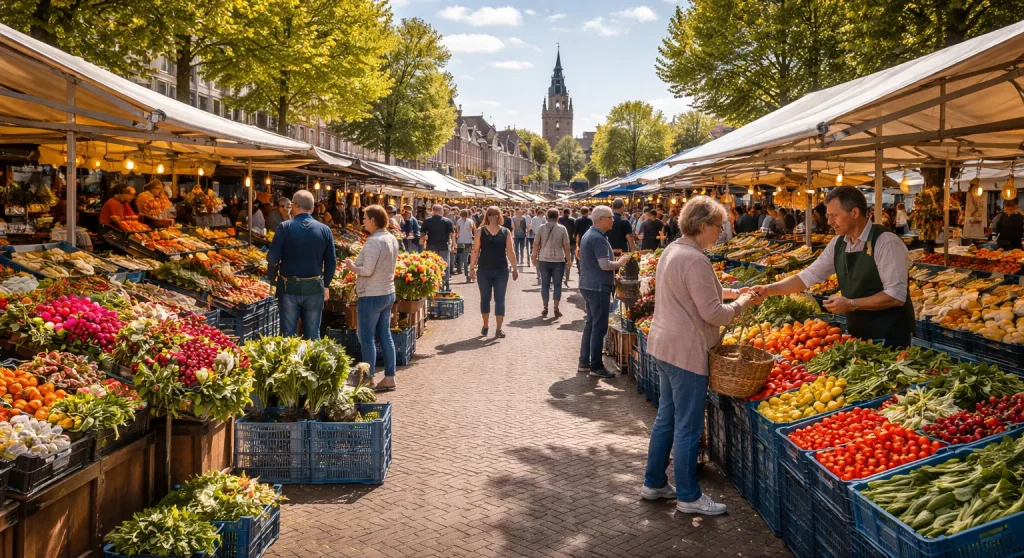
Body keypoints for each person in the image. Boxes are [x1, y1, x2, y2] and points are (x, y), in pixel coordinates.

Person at [642, 195, 760, 514]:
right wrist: (742, 304)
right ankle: (689, 497)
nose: (720, 233)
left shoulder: (674, 250)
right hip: (686, 352)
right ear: (703, 225)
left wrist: (734, 293)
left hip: (664, 345)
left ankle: (654, 483)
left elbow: (695, 291)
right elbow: (715, 314)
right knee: (689, 426)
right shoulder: (695, 259)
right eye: (718, 227)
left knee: (667, 418)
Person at [753, 186, 913, 347]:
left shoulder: (886, 242)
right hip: (858, 336)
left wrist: (851, 304)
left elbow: (896, 295)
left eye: (834, 216)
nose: (829, 222)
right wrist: (768, 290)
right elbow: (807, 277)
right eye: (828, 216)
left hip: (891, 338)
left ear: (855, 213)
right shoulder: (838, 243)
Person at [267, 190, 337, 340]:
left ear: (293, 205)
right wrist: (326, 285)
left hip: (288, 287)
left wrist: (272, 278)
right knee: (312, 335)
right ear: (312, 209)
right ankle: (312, 363)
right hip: (314, 288)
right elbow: (331, 262)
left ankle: (291, 363)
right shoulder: (325, 230)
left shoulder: (284, 227)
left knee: (288, 336)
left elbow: (273, 258)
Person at [344, 205, 400, 392]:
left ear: (374, 220)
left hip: (372, 294)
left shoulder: (373, 242)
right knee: (385, 335)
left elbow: (366, 270)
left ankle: (368, 379)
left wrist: (352, 268)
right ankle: (389, 377)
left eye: (365, 218)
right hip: (387, 292)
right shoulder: (391, 238)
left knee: (366, 337)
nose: (363, 221)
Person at [578, 206, 631, 379]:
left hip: (589, 284)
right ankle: (596, 366)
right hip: (597, 286)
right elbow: (604, 265)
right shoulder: (597, 238)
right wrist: (620, 262)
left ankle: (585, 361)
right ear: (601, 219)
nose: (613, 220)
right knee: (599, 328)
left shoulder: (589, 235)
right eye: (610, 217)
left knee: (591, 324)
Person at [469, 206, 519, 338]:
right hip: (489, 269)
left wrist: (514, 268)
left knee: (495, 299)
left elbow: (510, 251)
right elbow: (475, 250)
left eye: (494, 214)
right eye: (491, 214)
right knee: (491, 299)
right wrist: (471, 267)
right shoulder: (486, 231)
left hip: (496, 269)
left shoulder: (503, 231)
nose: (493, 217)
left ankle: (494, 327)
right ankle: (489, 326)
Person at [533, 208, 572, 318]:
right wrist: (569, 260)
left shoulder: (541, 228)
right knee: (557, 285)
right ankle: (556, 307)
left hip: (543, 259)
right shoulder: (562, 228)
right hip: (558, 260)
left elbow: (536, 243)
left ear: (547, 217)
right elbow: (566, 246)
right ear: (558, 217)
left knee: (545, 285)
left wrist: (533, 256)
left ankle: (545, 307)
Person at [421, 204, 455, 291]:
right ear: (442, 211)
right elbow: (452, 234)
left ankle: (432, 284)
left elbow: (423, 233)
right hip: (444, 246)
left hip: (431, 246)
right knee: (444, 265)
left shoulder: (427, 221)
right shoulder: (447, 221)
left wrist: (422, 241)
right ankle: (445, 285)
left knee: (432, 265)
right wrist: (454, 244)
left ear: (433, 211)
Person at [455, 209, 476, 277]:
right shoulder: (471, 221)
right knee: (466, 256)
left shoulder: (458, 221)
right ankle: (466, 271)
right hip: (468, 241)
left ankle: (459, 269)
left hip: (460, 240)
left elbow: (457, 230)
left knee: (461, 255)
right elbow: (474, 231)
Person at [558, 208, 576, 287]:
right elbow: (575, 231)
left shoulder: (559, 219)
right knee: (570, 259)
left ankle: (562, 275)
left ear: (563, 212)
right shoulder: (573, 220)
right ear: (569, 212)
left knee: (562, 259)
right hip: (572, 242)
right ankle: (567, 276)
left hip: (561, 242)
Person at [573, 207, 593, 274]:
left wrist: (576, 241)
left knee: (579, 254)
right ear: (588, 212)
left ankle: (580, 268)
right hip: (590, 239)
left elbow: (575, 233)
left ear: (581, 213)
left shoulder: (578, 220)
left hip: (580, 240)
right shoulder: (591, 220)